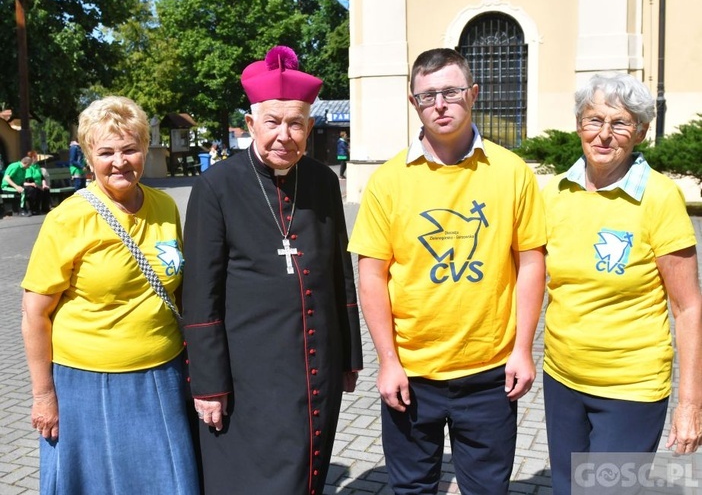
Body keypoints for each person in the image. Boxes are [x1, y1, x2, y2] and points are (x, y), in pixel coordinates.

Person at [348, 48, 546, 494]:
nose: (440, 103)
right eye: (428, 95)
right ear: (413, 102)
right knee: (412, 488)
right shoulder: (388, 180)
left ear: (473, 94)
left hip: (491, 374)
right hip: (412, 376)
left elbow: (532, 262)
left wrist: (523, 350)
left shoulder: (512, 173)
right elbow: (372, 274)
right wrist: (388, 361)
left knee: (487, 488)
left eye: (452, 92)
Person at [180, 45, 363, 495]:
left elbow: (340, 269)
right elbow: (200, 293)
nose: (285, 135)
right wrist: (208, 383)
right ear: (250, 125)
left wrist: (349, 355)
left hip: (316, 367)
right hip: (247, 374)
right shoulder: (216, 186)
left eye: (296, 123)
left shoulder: (322, 181)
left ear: (310, 126)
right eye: (273, 122)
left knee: (308, 473)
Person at [21, 96, 199, 495]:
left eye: (130, 148)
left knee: (162, 480)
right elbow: (34, 313)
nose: (120, 161)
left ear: (144, 149)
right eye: (106, 152)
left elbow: (181, 285)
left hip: (163, 375)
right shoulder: (68, 218)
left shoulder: (165, 206)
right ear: (88, 157)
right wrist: (43, 395)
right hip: (86, 383)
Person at [541, 73, 702, 494]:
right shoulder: (556, 193)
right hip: (561, 379)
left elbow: (688, 307)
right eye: (594, 120)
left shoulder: (659, 197)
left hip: (629, 389)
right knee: (566, 488)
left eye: (620, 123)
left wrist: (690, 404)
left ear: (641, 132)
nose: (604, 135)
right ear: (579, 125)